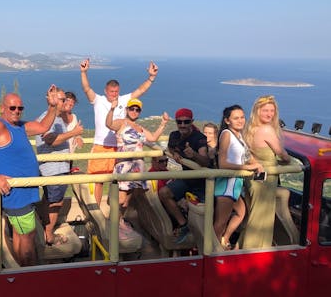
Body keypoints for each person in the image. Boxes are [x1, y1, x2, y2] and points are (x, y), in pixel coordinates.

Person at [0, 87, 59, 266]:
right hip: (17, 195)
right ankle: (28, 274)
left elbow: (43, 127)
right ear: (3, 108)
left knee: (20, 234)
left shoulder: (20, 126)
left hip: (26, 192)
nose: (16, 111)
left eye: (20, 108)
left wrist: (52, 106)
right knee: (28, 237)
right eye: (12, 108)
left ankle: (20, 271)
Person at [80, 58, 159, 205]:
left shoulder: (124, 100)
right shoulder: (98, 100)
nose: (114, 94)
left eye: (116, 91)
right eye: (111, 91)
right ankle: (97, 211)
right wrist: (84, 72)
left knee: (118, 182)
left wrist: (151, 77)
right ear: (106, 91)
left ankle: (115, 210)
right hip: (101, 146)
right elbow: (87, 89)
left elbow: (140, 90)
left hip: (120, 148)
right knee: (98, 181)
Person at [35, 88, 84, 245]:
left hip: (56, 167)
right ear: (54, 100)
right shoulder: (49, 119)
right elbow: (51, 140)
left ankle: (44, 231)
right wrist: (74, 132)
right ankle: (49, 236)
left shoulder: (56, 119)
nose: (66, 102)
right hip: (53, 169)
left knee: (49, 200)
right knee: (55, 203)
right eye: (63, 99)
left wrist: (76, 135)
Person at [106, 98, 168, 219]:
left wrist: (163, 123)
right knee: (120, 199)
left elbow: (153, 138)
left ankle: (118, 223)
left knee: (127, 202)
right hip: (124, 166)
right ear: (126, 110)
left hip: (137, 167)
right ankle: (111, 225)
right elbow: (109, 124)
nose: (134, 111)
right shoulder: (121, 123)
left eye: (137, 110)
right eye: (132, 109)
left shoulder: (140, 127)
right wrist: (112, 109)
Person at [241, 95, 291, 249]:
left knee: (253, 216)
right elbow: (282, 154)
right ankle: (255, 251)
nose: (269, 114)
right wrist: (286, 161)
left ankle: (243, 248)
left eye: (272, 111)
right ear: (257, 111)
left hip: (253, 177)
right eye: (265, 110)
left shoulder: (249, 129)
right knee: (262, 220)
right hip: (266, 178)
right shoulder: (267, 130)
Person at [213, 105, 263, 250]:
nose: (240, 120)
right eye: (236, 118)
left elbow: (245, 156)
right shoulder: (227, 135)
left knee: (241, 212)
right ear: (227, 120)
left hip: (235, 185)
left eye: (242, 117)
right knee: (220, 222)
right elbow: (223, 164)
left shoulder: (238, 135)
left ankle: (224, 239)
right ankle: (214, 249)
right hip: (227, 185)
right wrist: (248, 167)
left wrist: (256, 164)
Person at [158, 108, 209, 243]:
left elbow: (205, 161)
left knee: (202, 213)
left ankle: (207, 241)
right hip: (187, 179)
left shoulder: (199, 138)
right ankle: (183, 224)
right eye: (179, 122)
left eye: (186, 122)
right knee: (164, 193)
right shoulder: (174, 135)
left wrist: (194, 155)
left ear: (192, 122)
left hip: (202, 182)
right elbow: (170, 147)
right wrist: (174, 152)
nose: (182, 125)